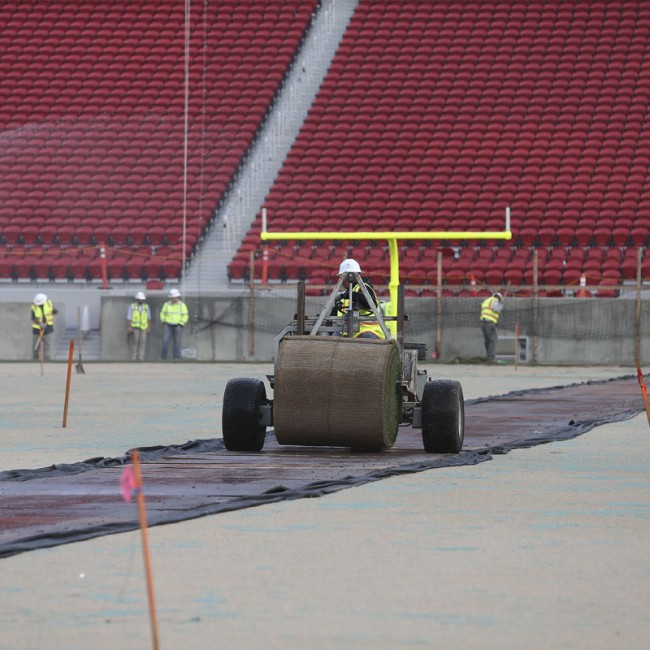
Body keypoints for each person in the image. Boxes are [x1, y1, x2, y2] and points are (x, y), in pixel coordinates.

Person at [332, 259, 385, 339]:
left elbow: (370, 303)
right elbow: (333, 314)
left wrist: (351, 295)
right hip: (347, 333)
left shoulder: (363, 287)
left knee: (366, 338)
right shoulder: (345, 295)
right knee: (331, 339)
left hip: (368, 331)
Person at [160, 288, 189, 360]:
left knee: (177, 342)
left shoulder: (182, 305)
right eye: (172, 297)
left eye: (174, 297)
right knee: (165, 342)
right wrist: (163, 321)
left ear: (177, 297)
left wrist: (181, 323)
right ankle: (163, 357)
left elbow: (185, 315)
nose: (173, 299)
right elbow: (162, 313)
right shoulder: (166, 304)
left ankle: (177, 357)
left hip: (178, 325)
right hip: (168, 325)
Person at [31, 293, 58, 360]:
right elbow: (33, 318)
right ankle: (34, 359)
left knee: (47, 345)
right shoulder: (34, 307)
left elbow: (53, 311)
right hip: (37, 329)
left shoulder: (49, 303)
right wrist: (40, 324)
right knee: (36, 346)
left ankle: (47, 360)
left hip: (48, 327)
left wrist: (55, 311)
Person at [480, 291, 504, 363]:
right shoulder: (496, 300)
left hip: (483, 322)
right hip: (490, 322)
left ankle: (489, 357)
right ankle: (491, 358)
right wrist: (501, 304)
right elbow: (496, 309)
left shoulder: (487, 300)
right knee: (493, 340)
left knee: (487, 340)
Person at [127, 291, 151, 361]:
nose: (141, 300)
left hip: (144, 327)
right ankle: (134, 357)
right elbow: (129, 317)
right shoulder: (132, 306)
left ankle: (141, 357)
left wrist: (148, 327)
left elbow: (148, 318)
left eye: (142, 299)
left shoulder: (146, 307)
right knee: (135, 342)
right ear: (137, 299)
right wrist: (129, 326)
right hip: (135, 327)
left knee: (143, 342)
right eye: (140, 299)